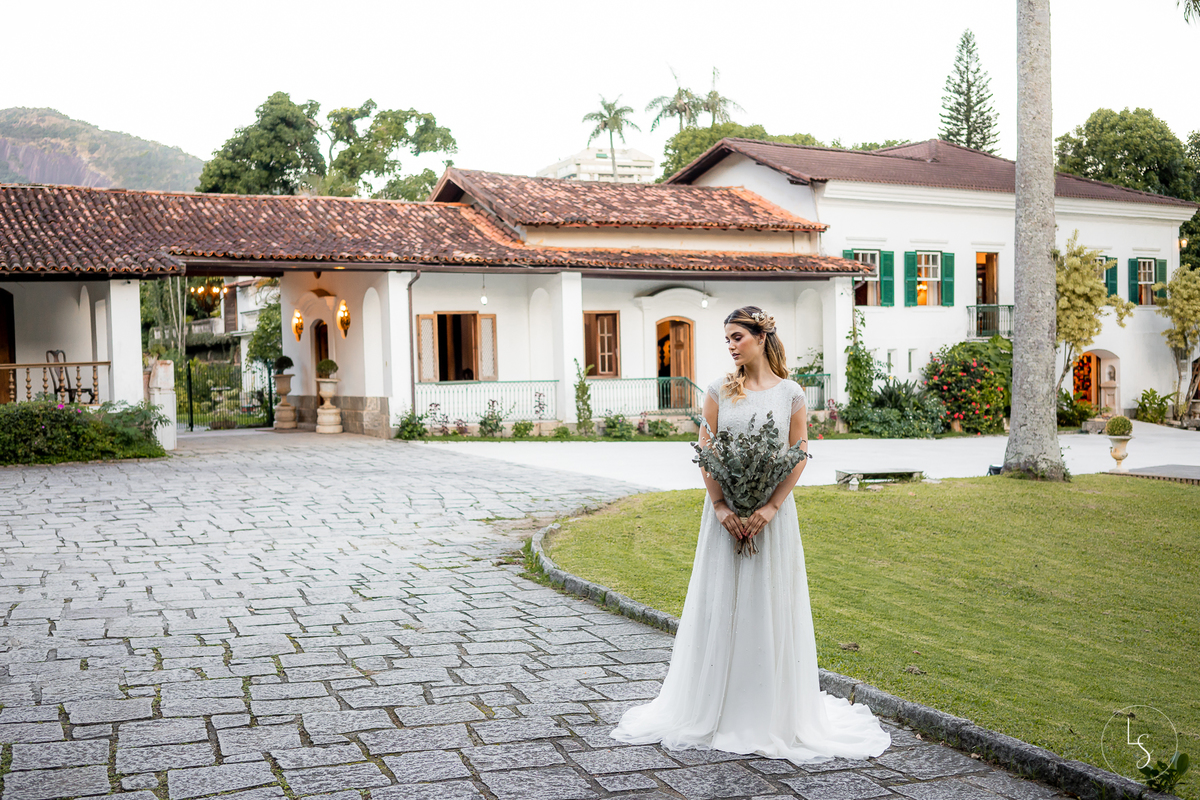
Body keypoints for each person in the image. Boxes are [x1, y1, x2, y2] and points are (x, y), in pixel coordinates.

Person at [610, 305, 892, 763]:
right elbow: (707, 450)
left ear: (761, 338)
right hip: (723, 518)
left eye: (737, 336)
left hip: (773, 519)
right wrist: (721, 505)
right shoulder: (719, 390)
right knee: (721, 604)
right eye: (727, 339)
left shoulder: (792, 394)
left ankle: (769, 712)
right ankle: (716, 708)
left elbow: (798, 453)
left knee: (768, 605)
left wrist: (770, 507)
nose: (731, 345)